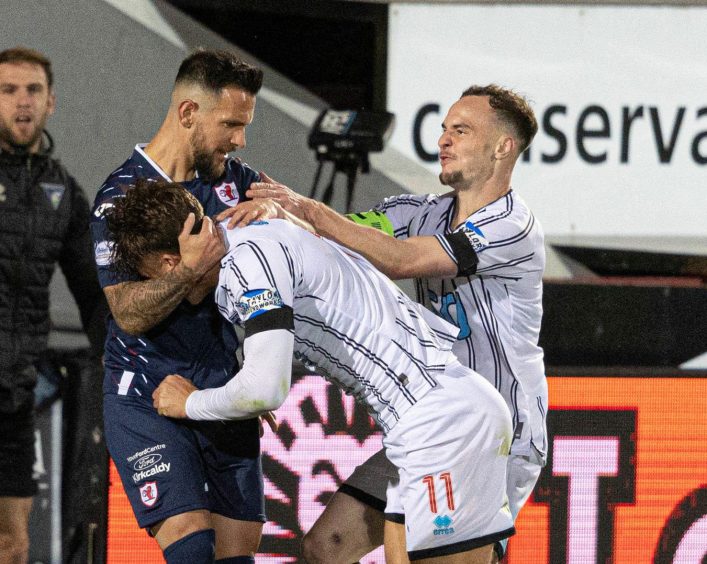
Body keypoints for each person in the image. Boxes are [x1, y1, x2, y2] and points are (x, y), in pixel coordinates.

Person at [107, 177, 516, 563]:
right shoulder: (259, 231)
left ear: (167, 261)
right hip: (429, 414)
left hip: (441, 421)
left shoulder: (246, 264)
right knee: (326, 548)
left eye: (155, 277)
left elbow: (266, 389)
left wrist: (191, 403)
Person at [247, 84, 547, 562]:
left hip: (496, 432)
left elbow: (404, 259)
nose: (444, 139)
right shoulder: (420, 212)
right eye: (445, 127)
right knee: (328, 545)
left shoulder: (512, 227)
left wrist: (313, 212)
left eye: (461, 130)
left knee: (420, 557)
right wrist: (278, 216)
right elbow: (342, 238)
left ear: (502, 147)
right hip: (434, 419)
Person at [90, 50, 279, 563]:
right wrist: (191, 268)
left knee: (235, 557)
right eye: (231, 125)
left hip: (221, 394)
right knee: (193, 549)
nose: (240, 139)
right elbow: (128, 313)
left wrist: (283, 213)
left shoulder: (238, 183)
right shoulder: (120, 198)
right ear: (189, 113)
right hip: (146, 397)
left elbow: (292, 261)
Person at [0, 47, 107, 563]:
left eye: (33, 91)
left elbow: (94, 295)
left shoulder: (63, 192)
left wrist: (128, 363)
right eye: (8, 91)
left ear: (51, 102)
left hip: (14, 398)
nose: (22, 102)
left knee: (13, 546)